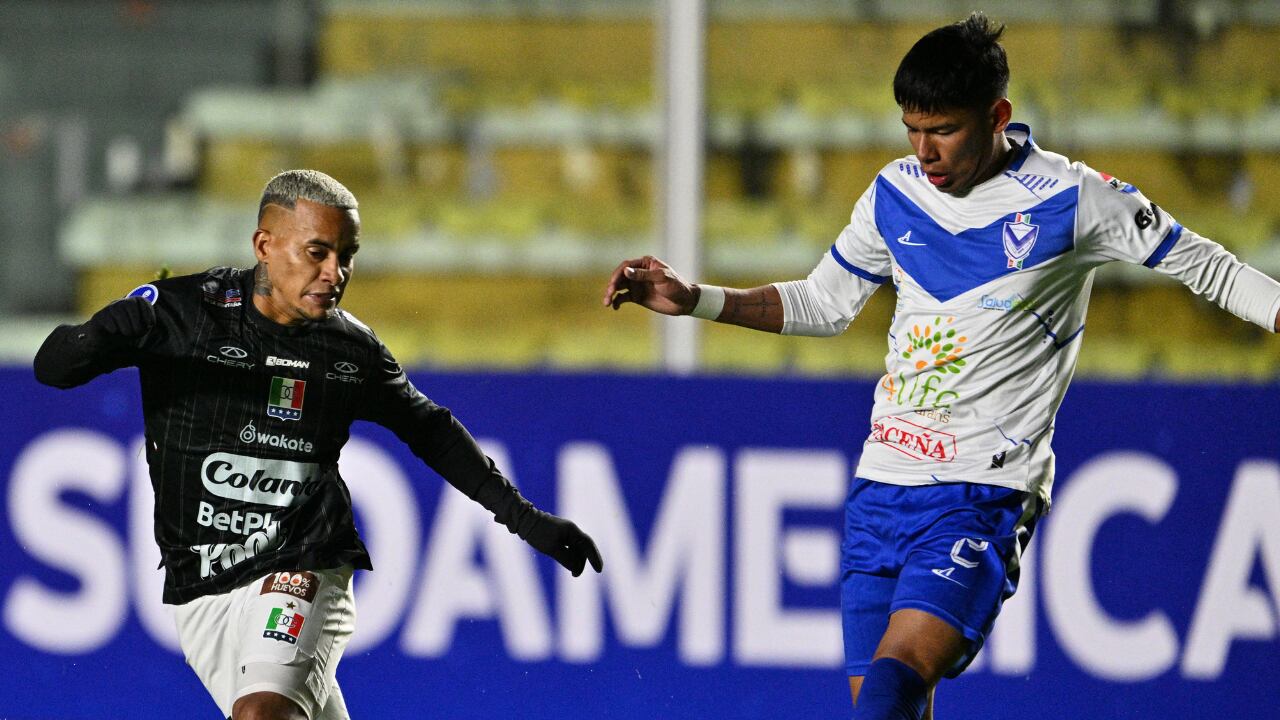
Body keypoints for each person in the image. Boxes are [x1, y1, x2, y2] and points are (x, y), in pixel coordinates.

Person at [603, 13, 1280, 720]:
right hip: (881, 485)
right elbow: (824, 304)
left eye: (944, 130)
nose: (924, 150)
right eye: (911, 129)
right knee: (892, 706)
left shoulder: (1074, 200)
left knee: (894, 684)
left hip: (981, 490)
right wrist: (698, 300)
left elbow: (1215, 271)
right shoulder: (893, 193)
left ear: (997, 117)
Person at [34, 169, 604, 720]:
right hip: (200, 586)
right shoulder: (183, 316)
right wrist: (104, 335)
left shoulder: (349, 351)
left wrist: (526, 520)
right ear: (264, 244)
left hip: (305, 560)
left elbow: (428, 428)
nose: (336, 272)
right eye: (318, 252)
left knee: (262, 713)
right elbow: (53, 367)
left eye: (347, 256)